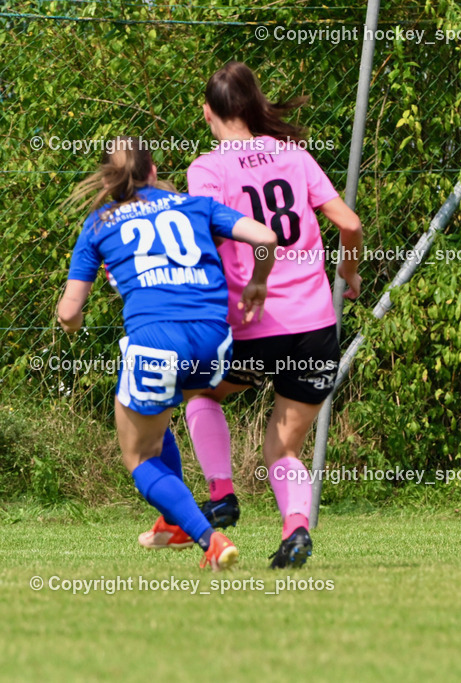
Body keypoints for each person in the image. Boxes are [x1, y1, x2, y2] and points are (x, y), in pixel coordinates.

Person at [138, 61, 363, 569]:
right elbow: (349, 223)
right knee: (283, 450)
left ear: (207, 112)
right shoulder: (295, 155)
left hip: (252, 326)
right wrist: (348, 273)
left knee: (199, 393)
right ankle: (297, 531)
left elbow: (203, 241)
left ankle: (220, 495)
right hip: (314, 329)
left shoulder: (209, 168)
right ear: (254, 103)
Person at [57, 136, 277, 570]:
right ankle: (173, 519)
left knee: (137, 454)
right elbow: (265, 237)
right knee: (157, 420)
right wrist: (258, 282)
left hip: (158, 343)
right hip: (215, 342)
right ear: (154, 170)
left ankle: (207, 537)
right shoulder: (193, 205)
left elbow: (68, 312)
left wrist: (74, 324)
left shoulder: (100, 223)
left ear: (107, 178)